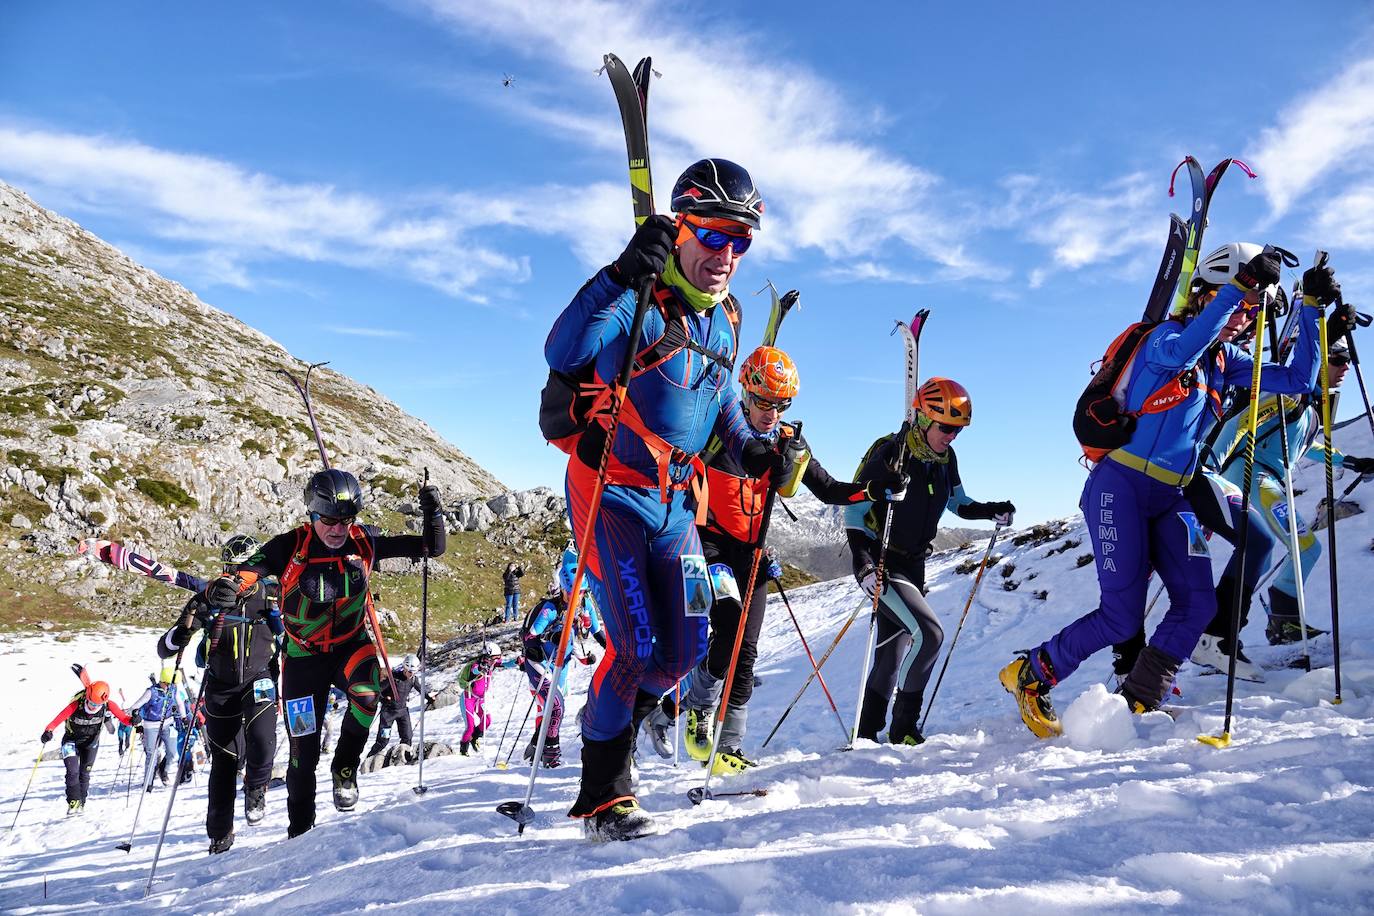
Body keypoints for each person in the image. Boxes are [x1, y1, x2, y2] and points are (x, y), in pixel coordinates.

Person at [543, 157, 784, 839]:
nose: (728, 255)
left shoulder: (726, 322)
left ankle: (614, 722)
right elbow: (563, 349)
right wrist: (619, 274)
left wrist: (754, 451)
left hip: (676, 504)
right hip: (611, 496)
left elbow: (723, 410)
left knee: (680, 653)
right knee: (635, 642)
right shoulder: (640, 298)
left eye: (742, 242)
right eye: (714, 236)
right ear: (681, 229)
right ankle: (603, 794)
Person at [1002, 244, 1336, 736]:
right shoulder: (1164, 338)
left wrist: (1312, 310)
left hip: (1171, 497)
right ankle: (1030, 673)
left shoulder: (1226, 362)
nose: (1243, 318)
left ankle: (1138, 698)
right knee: (1120, 618)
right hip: (1121, 487)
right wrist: (1240, 288)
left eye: (1252, 313)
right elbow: (1185, 351)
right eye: (1238, 305)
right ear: (1205, 294)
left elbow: (1300, 380)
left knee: (1198, 605)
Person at [641, 345, 906, 768]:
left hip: (752, 554)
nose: (772, 412)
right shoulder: (716, 430)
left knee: (746, 650)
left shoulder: (788, 443)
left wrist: (875, 489)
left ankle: (728, 747)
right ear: (745, 392)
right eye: (764, 402)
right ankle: (697, 711)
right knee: (724, 629)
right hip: (704, 547)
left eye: (781, 404)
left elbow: (831, 489)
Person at [202, 468, 445, 837]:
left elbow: (431, 547)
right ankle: (300, 830)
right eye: (328, 519)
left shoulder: (363, 541)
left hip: (351, 645)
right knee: (303, 753)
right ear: (311, 514)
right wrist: (228, 585)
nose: (337, 529)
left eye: (346, 520)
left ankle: (345, 767)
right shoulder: (291, 545)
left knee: (366, 697)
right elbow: (251, 570)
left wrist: (434, 514)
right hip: (304, 658)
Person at [846, 377, 1016, 746]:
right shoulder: (889, 454)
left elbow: (958, 503)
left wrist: (992, 510)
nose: (952, 436)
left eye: (958, 430)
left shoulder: (945, 459)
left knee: (892, 654)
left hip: (915, 564)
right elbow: (854, 514)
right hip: (883, 563)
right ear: (923, 419)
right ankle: (904, 728)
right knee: (930, 635)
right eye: (947, 427)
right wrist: (862, 566)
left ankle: (865, 735)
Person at [1211, 336, 1372, 648]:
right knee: (1305, 547)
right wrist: (1208, 467)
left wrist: (1348, 461)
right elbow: (1239, 424)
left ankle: (1237, 629)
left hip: (1266, 480)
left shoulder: (1308, 408)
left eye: (1348, 360)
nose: (1346, 367)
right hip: (1252, 476)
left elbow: (1304, 446)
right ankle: (1281, 621)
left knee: (1264, 549)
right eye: (1338, 359)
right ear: (1317, 362)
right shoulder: (1287, 397)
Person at [156, 532, 283, 853]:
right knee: (224, 761)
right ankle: (219, 834)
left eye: (245, 568)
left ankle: (256, 789)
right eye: (232, 568)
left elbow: (297, 629)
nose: (238, 576)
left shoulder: (271, 594)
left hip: (260, 678)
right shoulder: (209, 596)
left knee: (263, 741)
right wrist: (182, 631)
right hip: (220, 688)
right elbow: (165, 648)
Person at [517, 549, 606, 769]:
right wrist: (551, 635)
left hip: (561, 666)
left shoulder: (585, 605)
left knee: (552, 709)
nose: (577, 597)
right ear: (564, 589)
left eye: (582, 592)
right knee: (556, 706)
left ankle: (536, 746)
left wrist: (614, 650)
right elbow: (531, 635)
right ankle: (551, 754)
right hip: (541, 665)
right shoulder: (550, 608)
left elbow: (596, 632)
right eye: (572, 592)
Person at [42, 670, 135, 815]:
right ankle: (73, 802)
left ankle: (82, 802)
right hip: (70, 741)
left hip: (91, 743)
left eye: (96, 704)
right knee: (72, 772)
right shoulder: (76, 705)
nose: (92, 706)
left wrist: (133, 720)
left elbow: (124, 719)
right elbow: (58, 719)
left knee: (84, 773)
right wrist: (48, 731)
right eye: (90, 702)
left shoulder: (108, 705)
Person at [128, 667, 189, 792]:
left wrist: (184, 718)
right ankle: (148, 783)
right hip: (151, 726)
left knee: (172, 752)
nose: (170, 687)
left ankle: (163, 770)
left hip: (167, 723)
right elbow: (135, 706)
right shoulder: (151, 692)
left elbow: (180, 703)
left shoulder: (173, 689)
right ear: (163, 681)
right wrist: (135, 715)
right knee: (152, 754)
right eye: (168, 684)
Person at [367, 654, 421, 760]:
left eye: (414, 672)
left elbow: (421, 690)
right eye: (410, 672)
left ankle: (406, 759)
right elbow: (377, 690)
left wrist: (429, 697)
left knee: (407, 737)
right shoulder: (393, 678)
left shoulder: (414, 679)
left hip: (403, 712)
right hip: (388, 713)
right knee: (383, 740)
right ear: (405, 668)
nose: (411, 674)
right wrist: (383, 699)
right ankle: (369, 760)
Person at [457, 642, 504, 756]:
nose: (495, 661)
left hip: (480, 699)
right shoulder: (476, 664)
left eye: (498, 658)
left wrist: (518, 661)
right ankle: (463, 750)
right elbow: (475, 670)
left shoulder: (492, 664)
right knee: (470, 727)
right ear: (487, 657)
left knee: (487, 721)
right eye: (494, 658)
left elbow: (506, 664)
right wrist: (481, 667)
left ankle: (474, 737)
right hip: (468, 699)